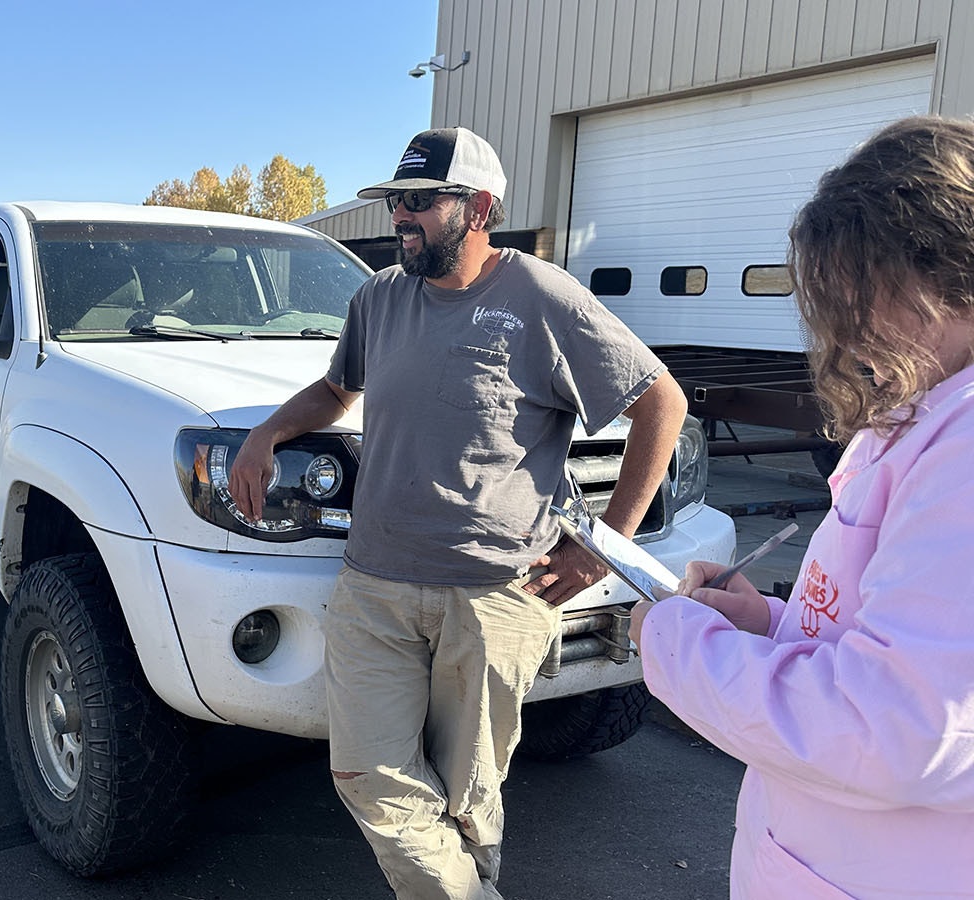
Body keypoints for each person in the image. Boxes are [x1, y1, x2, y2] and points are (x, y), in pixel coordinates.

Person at [232, 127, 686, 899]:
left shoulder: (542, 298)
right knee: (367, 775)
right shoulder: (379, 296)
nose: (398, 218)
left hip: (494, 595)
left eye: (417, 202)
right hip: (373, 586)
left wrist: (605, 545)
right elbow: (337, 390)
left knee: (469, 804)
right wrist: (267, 432)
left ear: (477, 208)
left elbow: (661, 404)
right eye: (395, 202)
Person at [631, 115, 974, 898]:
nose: (849, 331)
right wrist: (778, 626)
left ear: (947, 270)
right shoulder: (934, 407)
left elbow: (896, 730)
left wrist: (675, 642)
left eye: (865, 290)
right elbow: (918, 655)